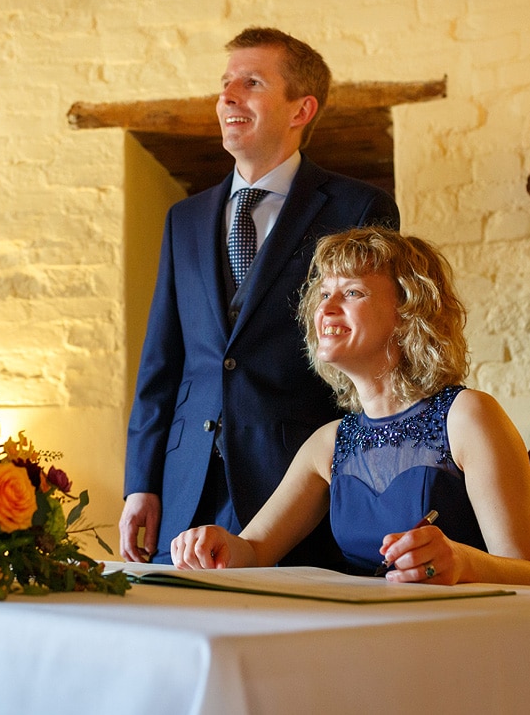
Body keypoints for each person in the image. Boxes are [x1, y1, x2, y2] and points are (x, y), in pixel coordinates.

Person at [121, 28, 400, 565]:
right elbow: (163, 360)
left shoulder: (358, 208)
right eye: (225, 84)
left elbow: (377, 354)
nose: (227, 97)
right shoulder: (184, 219)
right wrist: (142, 482)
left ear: (301, 109)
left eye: (251, 83)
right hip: (186, 482)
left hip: (298, 483)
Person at [170, 227, 530, 587]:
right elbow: (253, 551)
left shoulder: (468, 417)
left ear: (407, 312)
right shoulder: (328, 443)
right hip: (361, 640)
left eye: (352, 292)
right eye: (323, 294)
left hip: (456, 642)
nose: (327, 308)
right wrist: (214, 543)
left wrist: (462, 562)